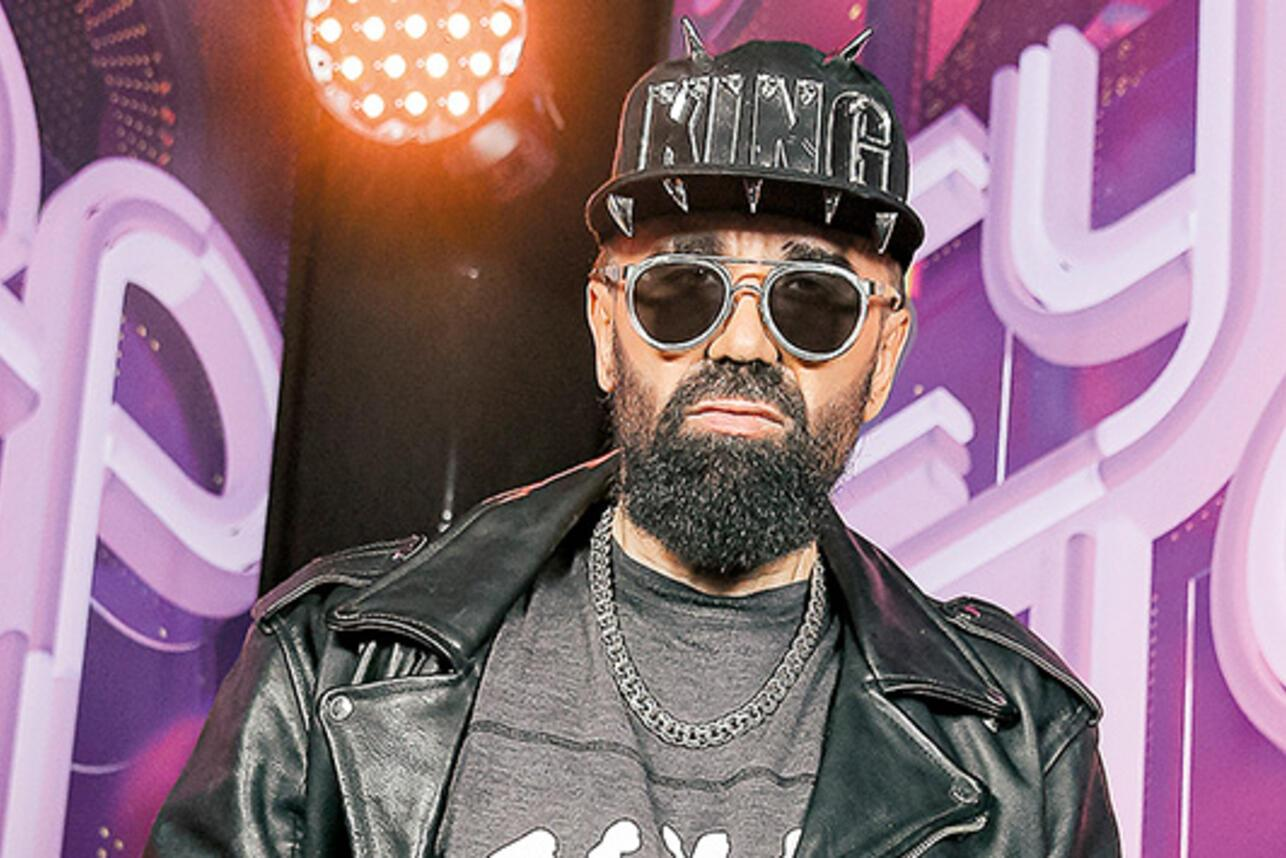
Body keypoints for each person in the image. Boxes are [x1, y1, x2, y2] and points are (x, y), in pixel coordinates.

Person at [147, 21, 1120, 858]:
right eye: (681, 290)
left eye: (812, 301)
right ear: (605, 327)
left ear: (885, 351)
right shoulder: (331, 662)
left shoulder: (1020, 749)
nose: (742, 343)